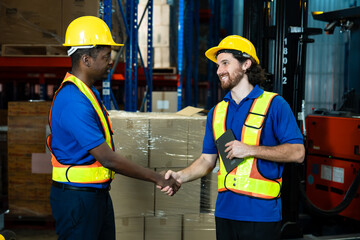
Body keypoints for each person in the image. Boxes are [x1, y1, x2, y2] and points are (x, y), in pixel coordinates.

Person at [47, 16, 180, 240]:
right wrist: (157, 178)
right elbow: (107, 158)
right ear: (86, 59)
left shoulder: (87, 93)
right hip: (78, 199)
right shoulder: (73, 101)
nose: (111, 62)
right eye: (106, 57)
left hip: (94, 195)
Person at [162, 35, 305, 240]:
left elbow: (298, 153)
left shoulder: (275, 105)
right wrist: (180, 177)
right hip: (225, 213)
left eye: (226, 63)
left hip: (261, 215)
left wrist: (249, 149)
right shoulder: (217, 112)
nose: (219, 70)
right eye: (218, 65)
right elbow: (207, 160)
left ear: (246, 64)